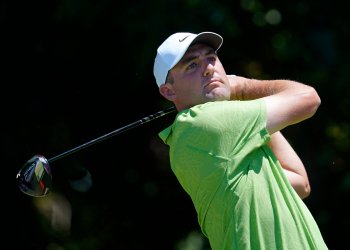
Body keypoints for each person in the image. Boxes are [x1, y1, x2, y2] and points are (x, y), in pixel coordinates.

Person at [153, 31, 328, 249]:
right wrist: (244, 87)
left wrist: (248, 105)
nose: (209, 69)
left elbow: (300, 183)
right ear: (169, 92)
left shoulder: (230, 138)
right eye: (192, 66)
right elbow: (308, 98)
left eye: (211, 58)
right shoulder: (202, 122)